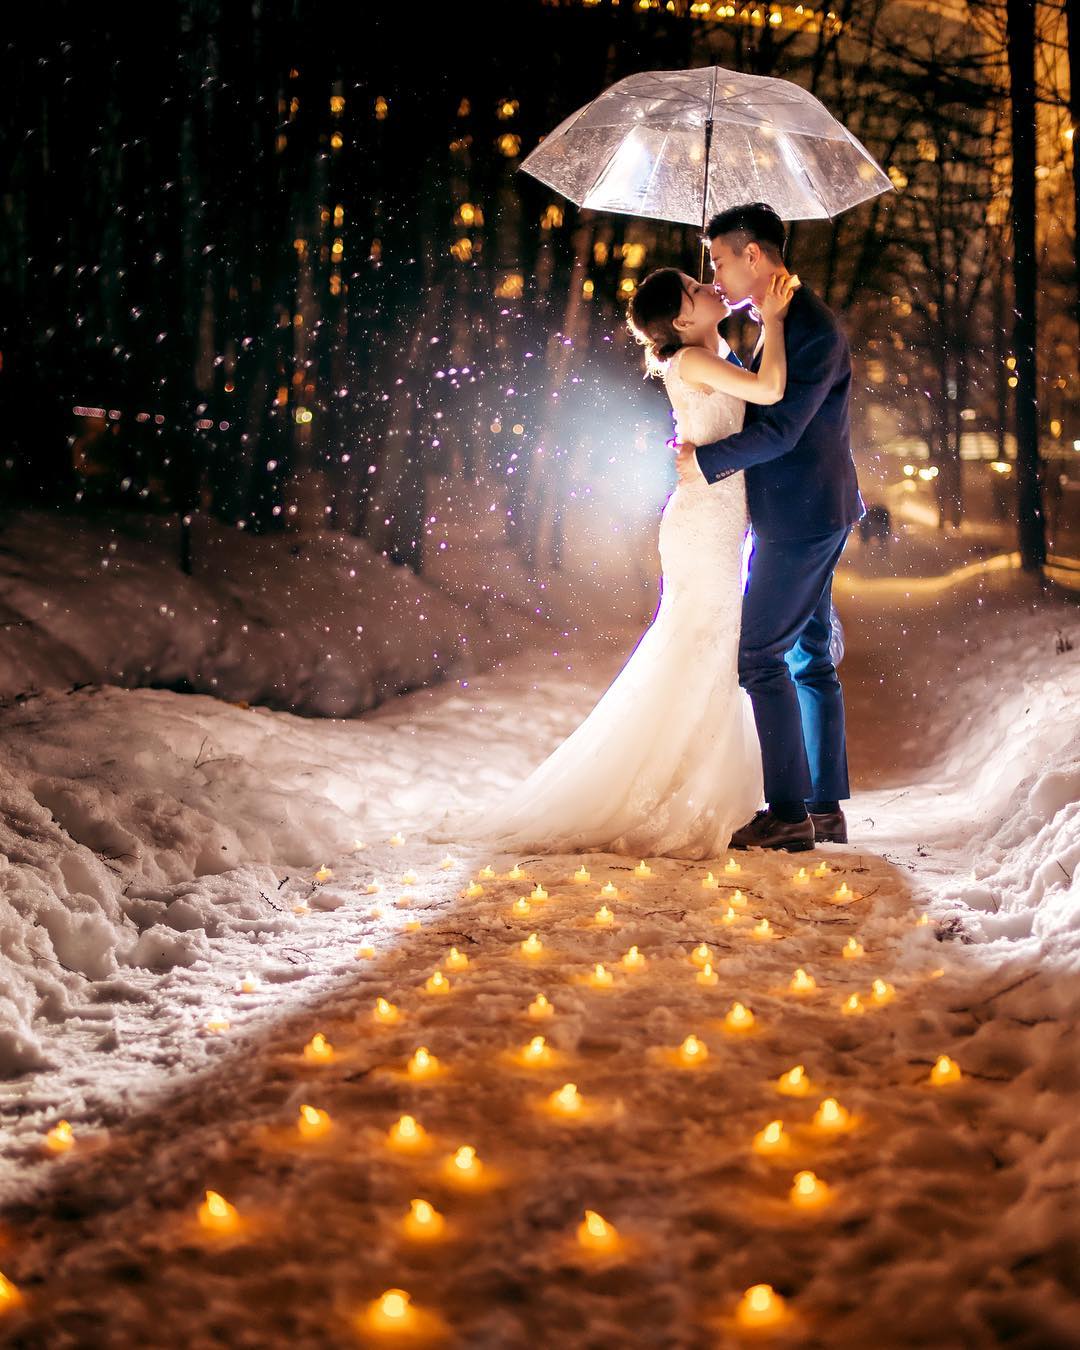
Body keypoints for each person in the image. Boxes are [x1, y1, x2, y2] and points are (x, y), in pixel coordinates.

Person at [432, 264, 799, 859]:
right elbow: (771, 391)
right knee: (705, 647)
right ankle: (677, 789)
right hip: (702, 526)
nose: (710, 288)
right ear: (682, 319)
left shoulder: (716, 349)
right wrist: (776, 320)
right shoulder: (692, 360)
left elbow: (750, 395)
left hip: (719, 520)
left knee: (708, 648)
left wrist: (757, 332)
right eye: (696, 290)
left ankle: (694, 785)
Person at [673, 202, 864, 849]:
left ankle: (789, 815)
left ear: (753, 255)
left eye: (720, 260)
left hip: (803, 516)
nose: (716, 274)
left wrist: (708, 462)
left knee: (758, 653)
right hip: (810, 509)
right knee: (810, 658)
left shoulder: (807, 326)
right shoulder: (778, 322)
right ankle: (823, 806)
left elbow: (782, 430)